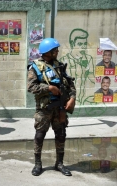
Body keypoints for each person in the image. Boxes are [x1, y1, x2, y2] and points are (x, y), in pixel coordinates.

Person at [27, 38, 76, 176]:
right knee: (40, 135)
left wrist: (72, 98)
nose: (57, 51)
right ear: (48, 52)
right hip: (44, 108)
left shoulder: (59, 66)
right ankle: (38, 164)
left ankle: (59, 163)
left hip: (60, 108)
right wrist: (49, 88)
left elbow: (70, 85)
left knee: (61, 135)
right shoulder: (35, 67)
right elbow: (31, 87)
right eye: (55, 50)